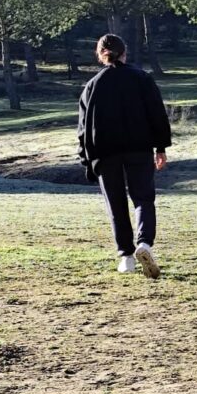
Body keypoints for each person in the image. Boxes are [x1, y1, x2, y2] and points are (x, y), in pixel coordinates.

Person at [76, 33, 171, 278]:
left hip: (104, 153)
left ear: (100, 55)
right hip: (138, 148)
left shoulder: (92, 85)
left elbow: (83, 127)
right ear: (124, 53)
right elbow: (157, 113)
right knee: (143, 198)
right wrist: (161, 147)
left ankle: (126, 256)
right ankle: (145, 243)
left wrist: (86, 159)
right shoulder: (142, 79)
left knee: (115, 204)